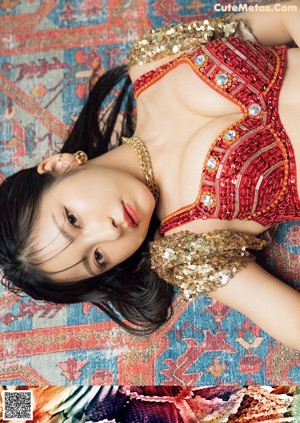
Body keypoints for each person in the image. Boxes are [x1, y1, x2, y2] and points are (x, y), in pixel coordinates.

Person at [0, 1, 300, 350]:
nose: (109, 232)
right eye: (98, 257)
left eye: (73, 219)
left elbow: (281, 13)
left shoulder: (152, 61)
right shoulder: (189, 248)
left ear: (58, 165)